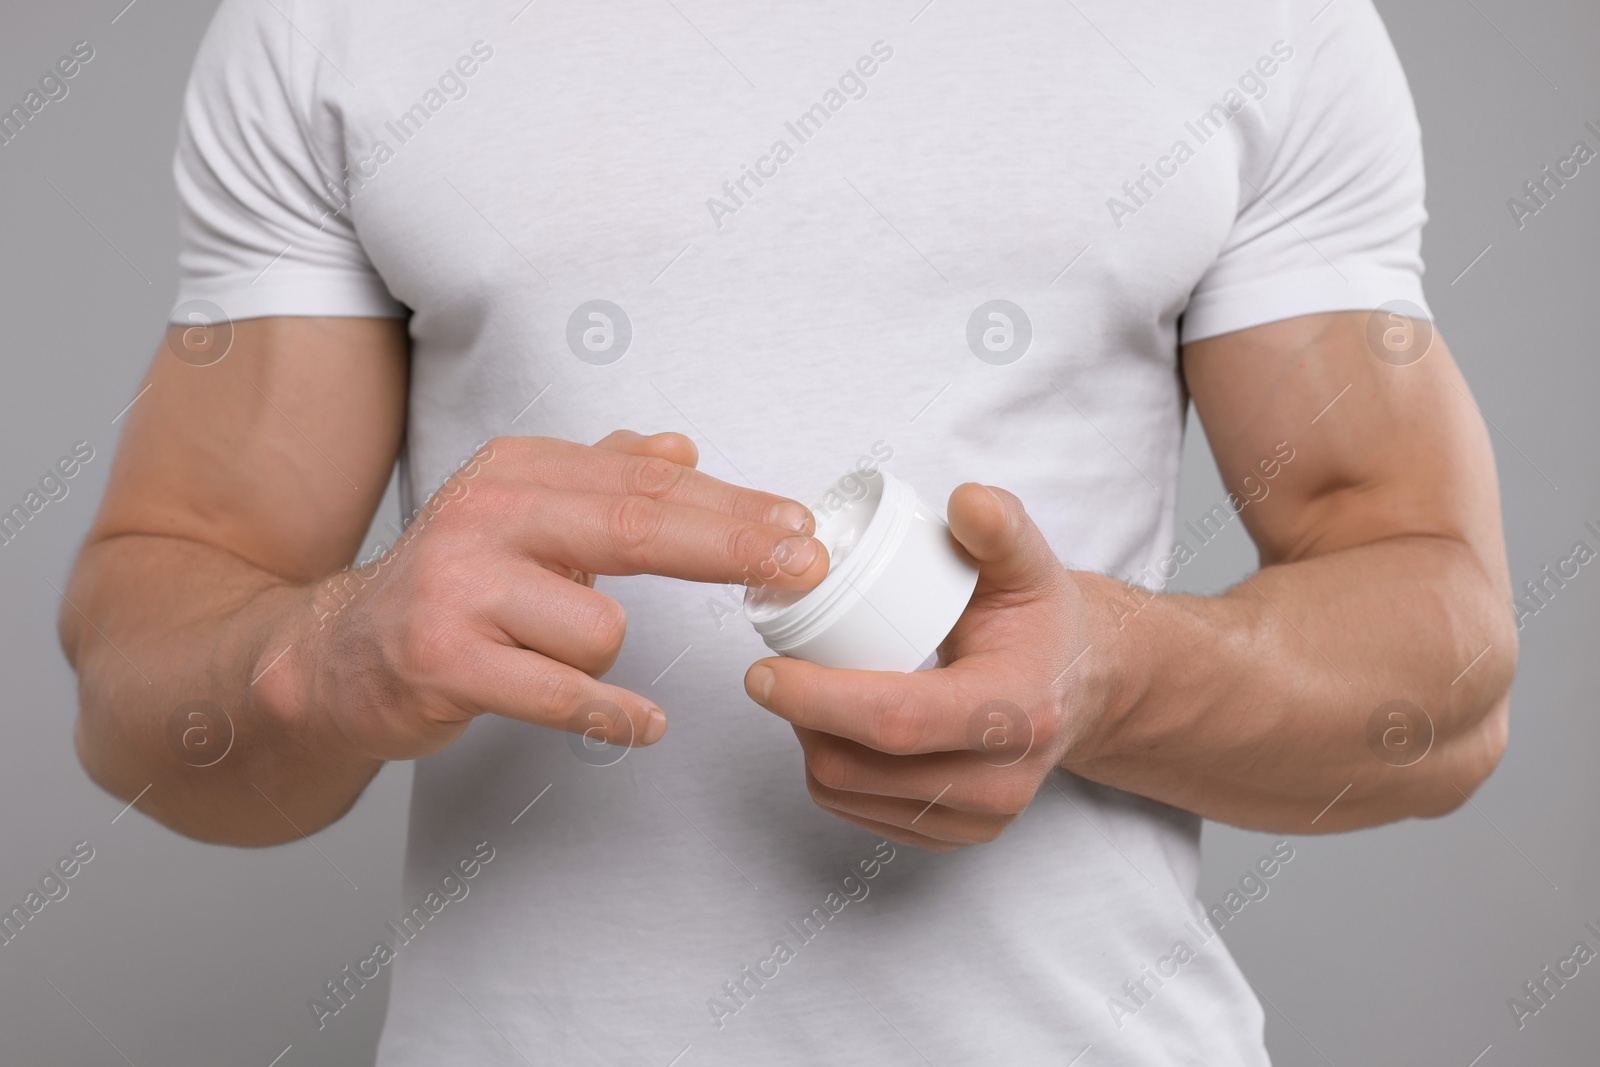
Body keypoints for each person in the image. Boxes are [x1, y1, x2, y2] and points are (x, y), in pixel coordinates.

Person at [59, 0, 1515, 1062]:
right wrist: (333, 657)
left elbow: (1445, 692)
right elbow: (141, 689)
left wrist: (1108, 671)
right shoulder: (332, 23)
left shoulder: (1259, 22)